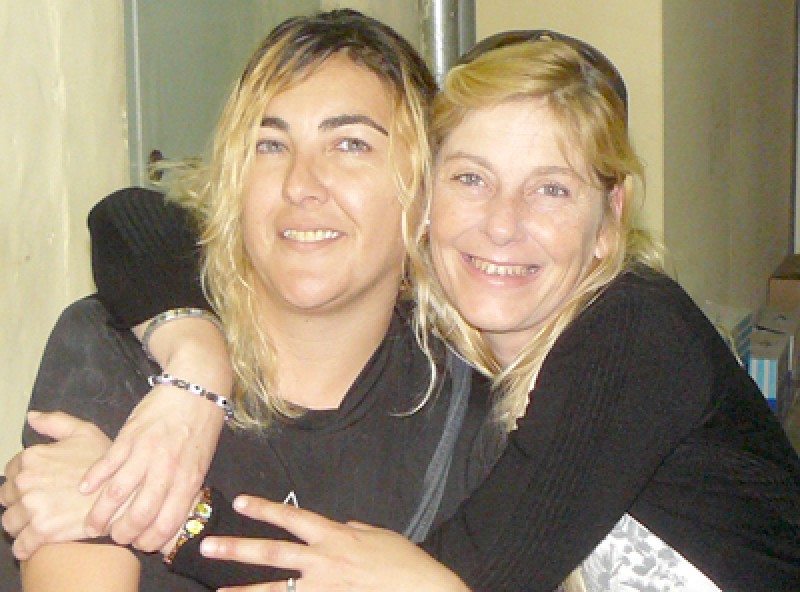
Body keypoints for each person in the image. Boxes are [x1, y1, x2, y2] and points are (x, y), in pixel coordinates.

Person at [5, 29, 800, 592]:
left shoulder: (626, 335)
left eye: (552, 189)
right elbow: (134, 216)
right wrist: (196, 363)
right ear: (431, 197)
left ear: (610, 219)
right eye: (471, 178)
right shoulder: (462, 338)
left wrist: (148, 507)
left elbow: (443, 582)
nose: (501, 224)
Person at [0, 10, 502, 591]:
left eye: (350, 144)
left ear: (426, 189)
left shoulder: (472, 409)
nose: (301, 184)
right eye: (270, 145)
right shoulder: (118, 346)